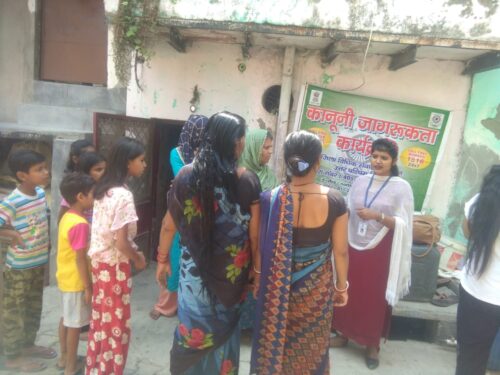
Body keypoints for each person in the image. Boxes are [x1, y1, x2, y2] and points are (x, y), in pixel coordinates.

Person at [155, 111, 261, 374]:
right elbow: (255, 236)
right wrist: (256, 273)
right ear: (236, 142)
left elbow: (169, 224)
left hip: (193, 277)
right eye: (243, 138)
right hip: (231, 277)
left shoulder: (186, 176)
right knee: (224, 338)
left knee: (193, 331)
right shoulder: (247, 180)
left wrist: (162, 259)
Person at [251, 130, 349, 374]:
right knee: (310, 344)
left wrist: (258, 276)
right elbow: (341, 251)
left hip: (275, 286)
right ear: (318, 161)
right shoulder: (335, 200)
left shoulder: (270, 199)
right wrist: (341, 286)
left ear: (287, 160)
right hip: (316, 291)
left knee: (275, 344)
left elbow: (261, 244)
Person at [331, 138, 413, 369]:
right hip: (353, 243)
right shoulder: (360, 181)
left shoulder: (401, 187)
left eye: (384, 158)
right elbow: (347, 208)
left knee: (374, 297)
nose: (378, 161)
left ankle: (371, 345)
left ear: (393, 160)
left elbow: (405, 224)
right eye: (374, 156)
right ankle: (344, 334)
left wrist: (377, 216)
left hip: (381, 249)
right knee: (348, 288)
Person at [85, 137, 147, 375]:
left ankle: (96, 368)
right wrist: (138, 258)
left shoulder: (105, 189)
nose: (144, 165)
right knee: (116, 327)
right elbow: (120, 242)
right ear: (128, 163)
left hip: (100, 265)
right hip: (114, 267)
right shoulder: (123, 195)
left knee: (101, 322)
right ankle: (109, 370)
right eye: (141, 160)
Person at [0, 149, 56, 372]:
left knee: (33, 307)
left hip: (37, 263)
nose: (46, 172)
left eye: (45, 167)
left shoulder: (41, 194)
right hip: (19, 267)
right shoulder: (13, 201)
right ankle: (12, 357)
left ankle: (28, 345)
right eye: (39, 169)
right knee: (14, 310)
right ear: (23, 175)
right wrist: (11, 234)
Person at [150, 114, 208, 320]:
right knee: (173, 256)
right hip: (180, 209)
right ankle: (166, 304)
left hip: (199, 212)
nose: (203, 137)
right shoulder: (177, 153)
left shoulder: (208, 154)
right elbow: (184, 176)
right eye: (200, 133)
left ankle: (186, 304)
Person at [456, 165, 500, 375]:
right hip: (486, 295)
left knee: (470, 357)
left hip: (476, 291)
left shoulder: (479, 202)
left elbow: (467, 233)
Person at [238, 128, 280, 331]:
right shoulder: (238, 174)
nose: (269, 152)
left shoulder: (270, 176)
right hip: (240, 239)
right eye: (265, 147)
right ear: (254, 148)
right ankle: (235, 324)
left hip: (263, 238)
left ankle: (251, 325)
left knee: (257, 278)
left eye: (270, 147)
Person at [56, 173, 95, 375]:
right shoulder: (80, 224)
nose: (95, 198)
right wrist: (88, 287)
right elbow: (80, 258)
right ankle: (71, 368)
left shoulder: (67, 216)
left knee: (66, 318)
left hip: (65, 277)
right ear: (80, 197)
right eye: (92, 194)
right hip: (76, 281)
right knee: (74, 325)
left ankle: (64, 358)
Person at [58, 151, 106, 224]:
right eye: (98, 170)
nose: (104, 173)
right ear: (86, 172)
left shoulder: (107, 191)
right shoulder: (74, 192)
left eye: (106, 169)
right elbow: (62, 219)